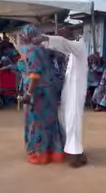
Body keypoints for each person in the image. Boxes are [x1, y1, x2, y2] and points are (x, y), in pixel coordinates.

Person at [34, 27, 88, 168]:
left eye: (62, 33)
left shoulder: (79, 46)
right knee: (65, 119)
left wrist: (46, 38)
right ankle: (76, 151)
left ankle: (76, 156)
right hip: (68, 90)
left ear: (70, 34)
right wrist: (43, 42)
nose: (59, 36)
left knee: (73, 120)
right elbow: (60, 47)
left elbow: (63, 43)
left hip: (76, 91)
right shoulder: (71, 51)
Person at [18, 25, 64, 165]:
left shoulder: (31, 51)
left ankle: (40, 155)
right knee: (49, 121)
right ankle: (54, 152)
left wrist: (28, 94)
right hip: (48, 92)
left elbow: (34, 75)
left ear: (26, 36)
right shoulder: (42, 50)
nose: (20, 38)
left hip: (39, 93)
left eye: (21, 35)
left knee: (37, 123)